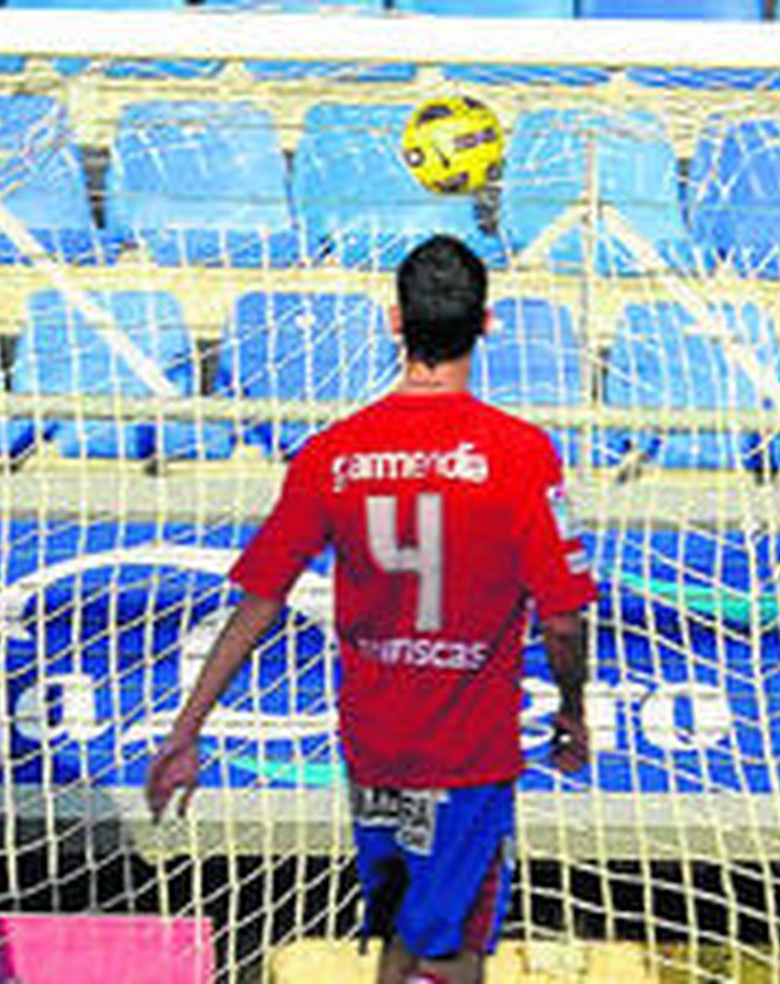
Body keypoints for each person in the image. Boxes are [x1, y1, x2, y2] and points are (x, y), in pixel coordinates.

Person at [145, 235, 597, 984]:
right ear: (487, 324)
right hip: (466, 755)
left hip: (375, 748)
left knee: (401, 932)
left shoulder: (332, 453)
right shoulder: (521, 454)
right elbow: (561, 620)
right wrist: (574, 708)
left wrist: (186, 730)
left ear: (394, 321)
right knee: (453, 952)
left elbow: (259, 602)